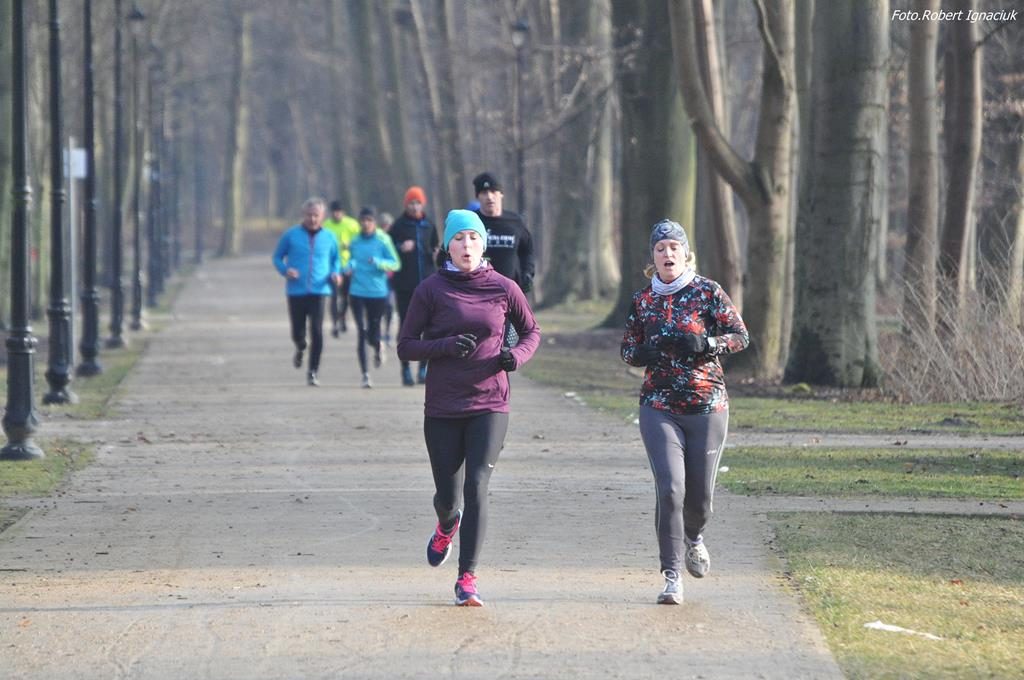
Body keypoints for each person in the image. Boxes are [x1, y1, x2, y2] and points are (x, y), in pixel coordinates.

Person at [397, 209, 540, 607]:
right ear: (448, 245)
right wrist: (444, 346)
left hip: (490, 402)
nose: (466, 245)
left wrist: (516, 356)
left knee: (477, 485)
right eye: (459, 238)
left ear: (483, 244)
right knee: (449, 497)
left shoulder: (504, 287)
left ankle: (467, 578)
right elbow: (406, 346)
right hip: (443, 405)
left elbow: (531, 331)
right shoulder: (430, 290)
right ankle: (447, 524)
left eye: (474, 238)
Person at [620, 219, 749, 605]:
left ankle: (695, 536)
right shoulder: (644, 300)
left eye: (674, 247)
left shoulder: (708, 292)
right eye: (660, 248)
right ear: (653, 257)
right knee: (670, 489)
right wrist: (641, 353)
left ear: (686, 253)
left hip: (707, 406)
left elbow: (740, 336)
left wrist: (707, 343)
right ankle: (672, 575)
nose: (668, 253)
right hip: (659, 406)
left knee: (699, 500)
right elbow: (627, 349)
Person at [272, 197, 341, 387]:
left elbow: (336, 259)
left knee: (317, 331)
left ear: (322, 216)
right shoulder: (291, 235)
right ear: (303, 215)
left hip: (319, 290)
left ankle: (313, 371)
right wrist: (285, 270)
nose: (312, 219)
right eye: (309, 215)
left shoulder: (329, 237)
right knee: (297, 332)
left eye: (316, 215)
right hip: (296, 290)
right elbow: (277, 257)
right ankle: (301, 346)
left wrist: (335, 273)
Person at [472, 172, 535, 348]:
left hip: (509, 296)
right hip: (478, 296)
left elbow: (527, 251)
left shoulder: (515, 222)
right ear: (478, 196)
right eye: (484, 193)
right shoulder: (472, 222)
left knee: (507, 348)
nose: (489, 197)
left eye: (493, 191)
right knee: (482, 348)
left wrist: (528, 273)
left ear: (501, 194)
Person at [345, 206, 400, 388]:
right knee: (361, 331)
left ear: (374, 222)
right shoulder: (355, 241)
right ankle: (365, 374)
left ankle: (377, 345)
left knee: (372, 334)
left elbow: (396, 264)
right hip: (357, 291)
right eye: (363, 220)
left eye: (369, 220)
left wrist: (379, 262)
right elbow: (350, 259)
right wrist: (349, 266)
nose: (366, 223)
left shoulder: (383, 240)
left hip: (378, 293)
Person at [389, 186, 439, 386]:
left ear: (423, 204)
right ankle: (405, 369)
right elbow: (388, 250)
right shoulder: (398, 226)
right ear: (406, 204)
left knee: (428, 326)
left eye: (418, 202)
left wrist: (436, 253)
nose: (414, 206)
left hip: (427, 283)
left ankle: (423, 369)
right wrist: (400, 248)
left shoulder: (429, 225)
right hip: (405, 285)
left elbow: (435, 247)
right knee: (406, 327)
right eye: (411, 203)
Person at [322, 200, 361, 337]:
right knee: (333, 297)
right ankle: (335, 323)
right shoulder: (326, 225)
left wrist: (350, 246)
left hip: (347, 267)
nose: (336, 214)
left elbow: (360, 243)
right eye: (334, 212)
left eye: (339, 212)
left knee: (345, 297)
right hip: (332, 268)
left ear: (343, 212)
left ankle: (342, 317)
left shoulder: (352, 224)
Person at [378, 211, 397, 347]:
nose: (386, 227)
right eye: (383, 225)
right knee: (379, 306)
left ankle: (387, 332)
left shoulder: (393, 239)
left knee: (390, 306)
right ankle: (377, 332)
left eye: (388, 225)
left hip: (391, 280)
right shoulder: (376, 239)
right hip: (378, 279)